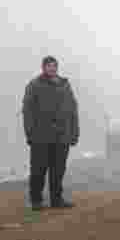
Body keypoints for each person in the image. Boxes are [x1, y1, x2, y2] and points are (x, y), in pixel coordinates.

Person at [22, 56, 80, 209]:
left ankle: (56, 199)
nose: (52, 68)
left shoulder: (64, 85)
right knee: (38, 170)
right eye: (49, 66)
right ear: (43, 67)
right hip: (41, 136)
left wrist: (74, 132)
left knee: (58, 170)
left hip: (62, 136)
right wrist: (30, 133)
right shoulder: (34, 85)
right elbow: (27, 111)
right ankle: (36, 200)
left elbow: (73, 109)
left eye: (54, 66)